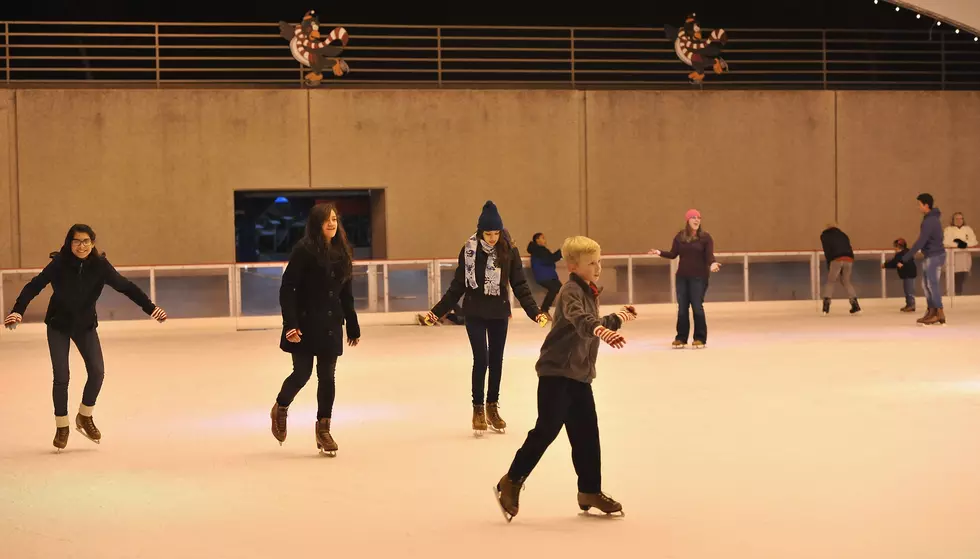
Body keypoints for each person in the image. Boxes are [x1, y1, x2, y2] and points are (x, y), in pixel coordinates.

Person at [493, 235, 636, 522]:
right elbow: (581, 321)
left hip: (579, 375)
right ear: (572, 266)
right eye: (591, 263)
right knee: (546, 430)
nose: (597, 267)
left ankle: (589, 491)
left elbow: (590, 322)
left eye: (599, 261)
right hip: (556, 374)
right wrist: (602, 331)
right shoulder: (571, 290)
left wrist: (617, 318)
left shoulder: (588, 290)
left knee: (586, 434)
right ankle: (511, 480)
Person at [3, 224, 168, 451]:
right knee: (61, 376)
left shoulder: (100, 266)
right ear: (69, 243)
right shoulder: (59, 264)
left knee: (97, 372)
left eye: (86, 241)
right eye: (77, 241)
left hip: (85, 326)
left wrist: (150, 308)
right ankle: (62, 426)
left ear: (92, 243)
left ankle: (84, 416)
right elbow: (34, 286)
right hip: (58, 325)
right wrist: (18, 310)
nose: (82, 246)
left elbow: (126, 287)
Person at [419, 201, 548, 436]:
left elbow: (520, 285)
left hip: (499, 312)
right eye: (488, 234)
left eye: (496, 233)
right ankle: (477, 408)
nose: (492, 238)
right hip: (475, 312)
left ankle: (492, 407)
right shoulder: (469, 250)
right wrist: (436, 312)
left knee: (496, 360)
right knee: (482, 359)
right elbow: (458, 286)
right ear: (480, 232)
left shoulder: (508, 250)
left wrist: (535, 312)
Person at [270, 203, 360, 456]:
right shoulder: (304, 250)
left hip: (331, 324)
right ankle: (281, 407)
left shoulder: (342, 251)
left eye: (334, 219)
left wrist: (352, 324)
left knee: (327, 376)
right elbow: (288, 289)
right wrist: (291, 324)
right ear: (316, 223)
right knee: (302, 373)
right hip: (305, 323)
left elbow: (346, 292)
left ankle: (323, 429)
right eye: (326, 220)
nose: (331, 224)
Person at [648, 209, 720, 349]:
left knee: (697, 307)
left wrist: (713, 263)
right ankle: (681, 338)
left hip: (699, 277)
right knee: (682, 308)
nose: (696, 220)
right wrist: (659, 252)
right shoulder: (680, 237)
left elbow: (709, 255)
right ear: (687, 220)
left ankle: (700, 338)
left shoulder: (705, 237)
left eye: (699, 217)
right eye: (693, 217)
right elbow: (673, 254)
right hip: (682, 277)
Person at [902, 193, 946, 325]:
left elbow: (921, 241)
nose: (919, 207)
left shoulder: (930, 221)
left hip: (934, 256)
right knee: (926, 285)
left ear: (926, 205)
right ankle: (931, 311)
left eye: (919, 204)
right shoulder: (930, 219)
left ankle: (939, 312)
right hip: (931, 255)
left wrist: (906, 257)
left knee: (932, 285)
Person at [819, 223, 860, 315]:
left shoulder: (825, 236)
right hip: (849, 258)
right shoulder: (843, 235)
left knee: (831, 281)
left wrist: (829, 263)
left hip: (836, 259)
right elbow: (849, 247)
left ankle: (826, 305)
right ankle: (855, 304)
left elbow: (827, 250)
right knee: (846, 281)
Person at [527, 233, 563, 318]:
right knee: (558, 289)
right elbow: (550, 259)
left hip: (547, 275)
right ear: (537, 240)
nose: (545, 240)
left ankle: (546, 309)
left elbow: (550, 259)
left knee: (560, 289)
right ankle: (545, 309)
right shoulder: (539, 250)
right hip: (545, 276)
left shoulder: (538, 250)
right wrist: (561, 252)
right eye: (542, 238)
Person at [944, 212, 977, 296]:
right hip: (953, 259)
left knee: (962, 278)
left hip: (964, 258)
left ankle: (958, 294)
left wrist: (964, 244)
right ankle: (952, 295)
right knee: (953, 278)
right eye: (956, 219)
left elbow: (974, 241)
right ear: (953, 220)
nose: (959, 220)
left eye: (960, 218)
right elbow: (946, 242)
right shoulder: (948, 229)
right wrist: (958, 244)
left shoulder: (968, 229)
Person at [882, 237, 917, 312]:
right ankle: (909, 304)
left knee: (909, 290)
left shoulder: (902, 254)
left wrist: (885, 265)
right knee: (907, 290)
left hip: (909, 274)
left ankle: (911, 305)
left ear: (900, 246)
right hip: (907, 274)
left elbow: (894, 262)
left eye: (896, 246)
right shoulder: (904, 253)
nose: (895, 248)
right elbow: (896, 263)